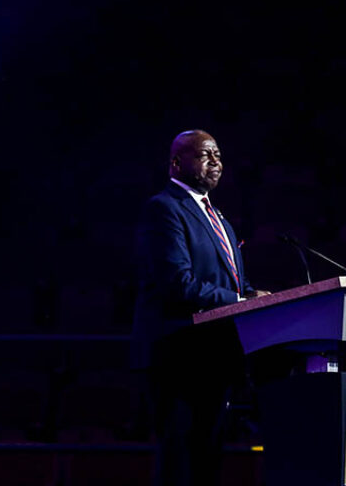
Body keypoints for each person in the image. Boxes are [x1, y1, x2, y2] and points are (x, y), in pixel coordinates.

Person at [132, 129, 268, 486]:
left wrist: (258, 297)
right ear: (177, 163)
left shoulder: (219, 218)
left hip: (215, 357)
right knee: (180, 461)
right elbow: (178, 284)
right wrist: (241, 301)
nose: (216, 161)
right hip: (178, 356)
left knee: (207, 461)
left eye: (219, 155)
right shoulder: (164, 209)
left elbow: (235, 284)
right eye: (205, 154)